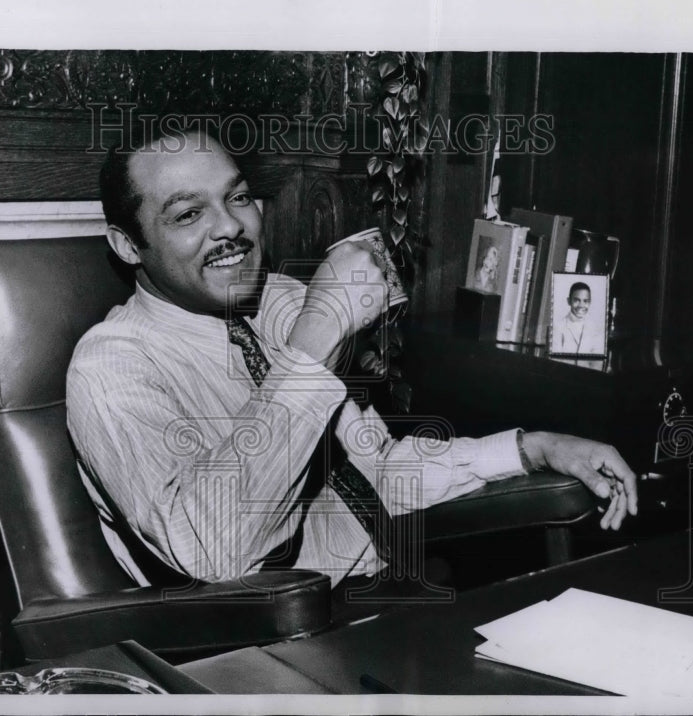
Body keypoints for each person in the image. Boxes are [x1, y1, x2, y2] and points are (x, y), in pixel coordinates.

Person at [66, 125, 637, 590]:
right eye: (188, 214)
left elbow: (377, 472)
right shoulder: (113, 368)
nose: (232, 227)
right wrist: (317, 337)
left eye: (238, 197)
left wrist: (531, 448)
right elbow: (214, 553)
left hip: (392, 598)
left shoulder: (282, 304)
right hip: (258, 649)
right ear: (126, 243)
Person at [555, 282, 604, 355]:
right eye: (576, 300)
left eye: (585, 301)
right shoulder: (558, 327)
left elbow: (597, 358)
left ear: (590, 302)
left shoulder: (596, 328)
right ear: (569, 301)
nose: (581, 305)